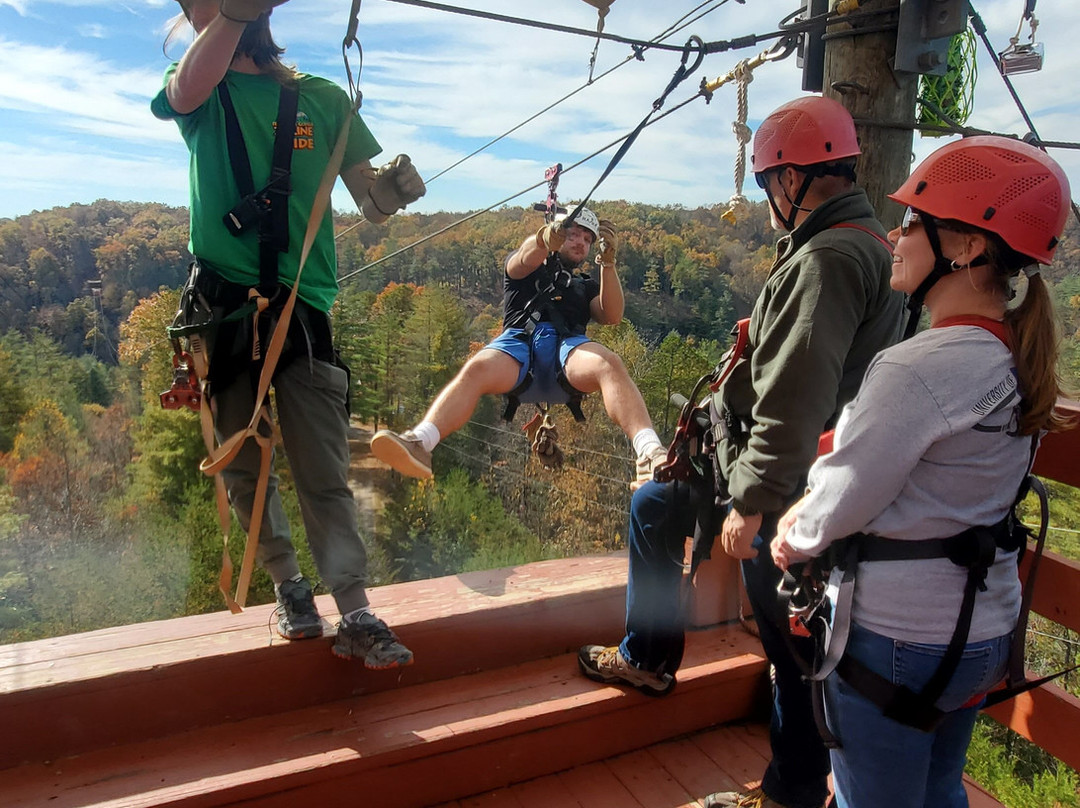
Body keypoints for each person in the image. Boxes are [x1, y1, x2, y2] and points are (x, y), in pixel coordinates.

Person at [577, 95, 906, 808]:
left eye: (766, 184)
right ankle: (648, 657)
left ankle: (791, 791)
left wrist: (753, 503)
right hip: (769, 460)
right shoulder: (849, 242)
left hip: (787, 480)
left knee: (792, 646)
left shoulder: (828, 258)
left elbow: (795, 398)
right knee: (657, 504)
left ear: (790, 178)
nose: (766, 199)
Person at [770, 136, 1071, 808]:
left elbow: (845, 497)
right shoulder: (1014, 356)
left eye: (911, 222)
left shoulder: (916, 366)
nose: (894, 236)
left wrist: (793, 535)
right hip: (983, 630)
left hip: (899, 639)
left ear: (965, 246)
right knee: (938, 789)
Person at [152, 0, 426, 668]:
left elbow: (368, 202)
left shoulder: (322, 100)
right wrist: (233, 15)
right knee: (243, 464)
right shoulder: (201, 93)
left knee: (322, 467)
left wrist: (391, 192)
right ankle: (290, 588)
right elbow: (185, 89)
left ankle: (355, 611)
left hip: (302, 308)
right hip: (226, 308)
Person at [370, 207, 668, 487]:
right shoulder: (526, 269)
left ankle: (649, 453)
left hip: (568, 353)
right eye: (573, 233)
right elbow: (524, 258)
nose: (581, 242)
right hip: (518, 348)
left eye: (588, 239)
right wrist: (543, 240)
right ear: (557, 233)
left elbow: (611, 315)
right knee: (477, 368)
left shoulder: (585, 285)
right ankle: (421, 442)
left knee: (608, 363)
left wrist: (609, 263)